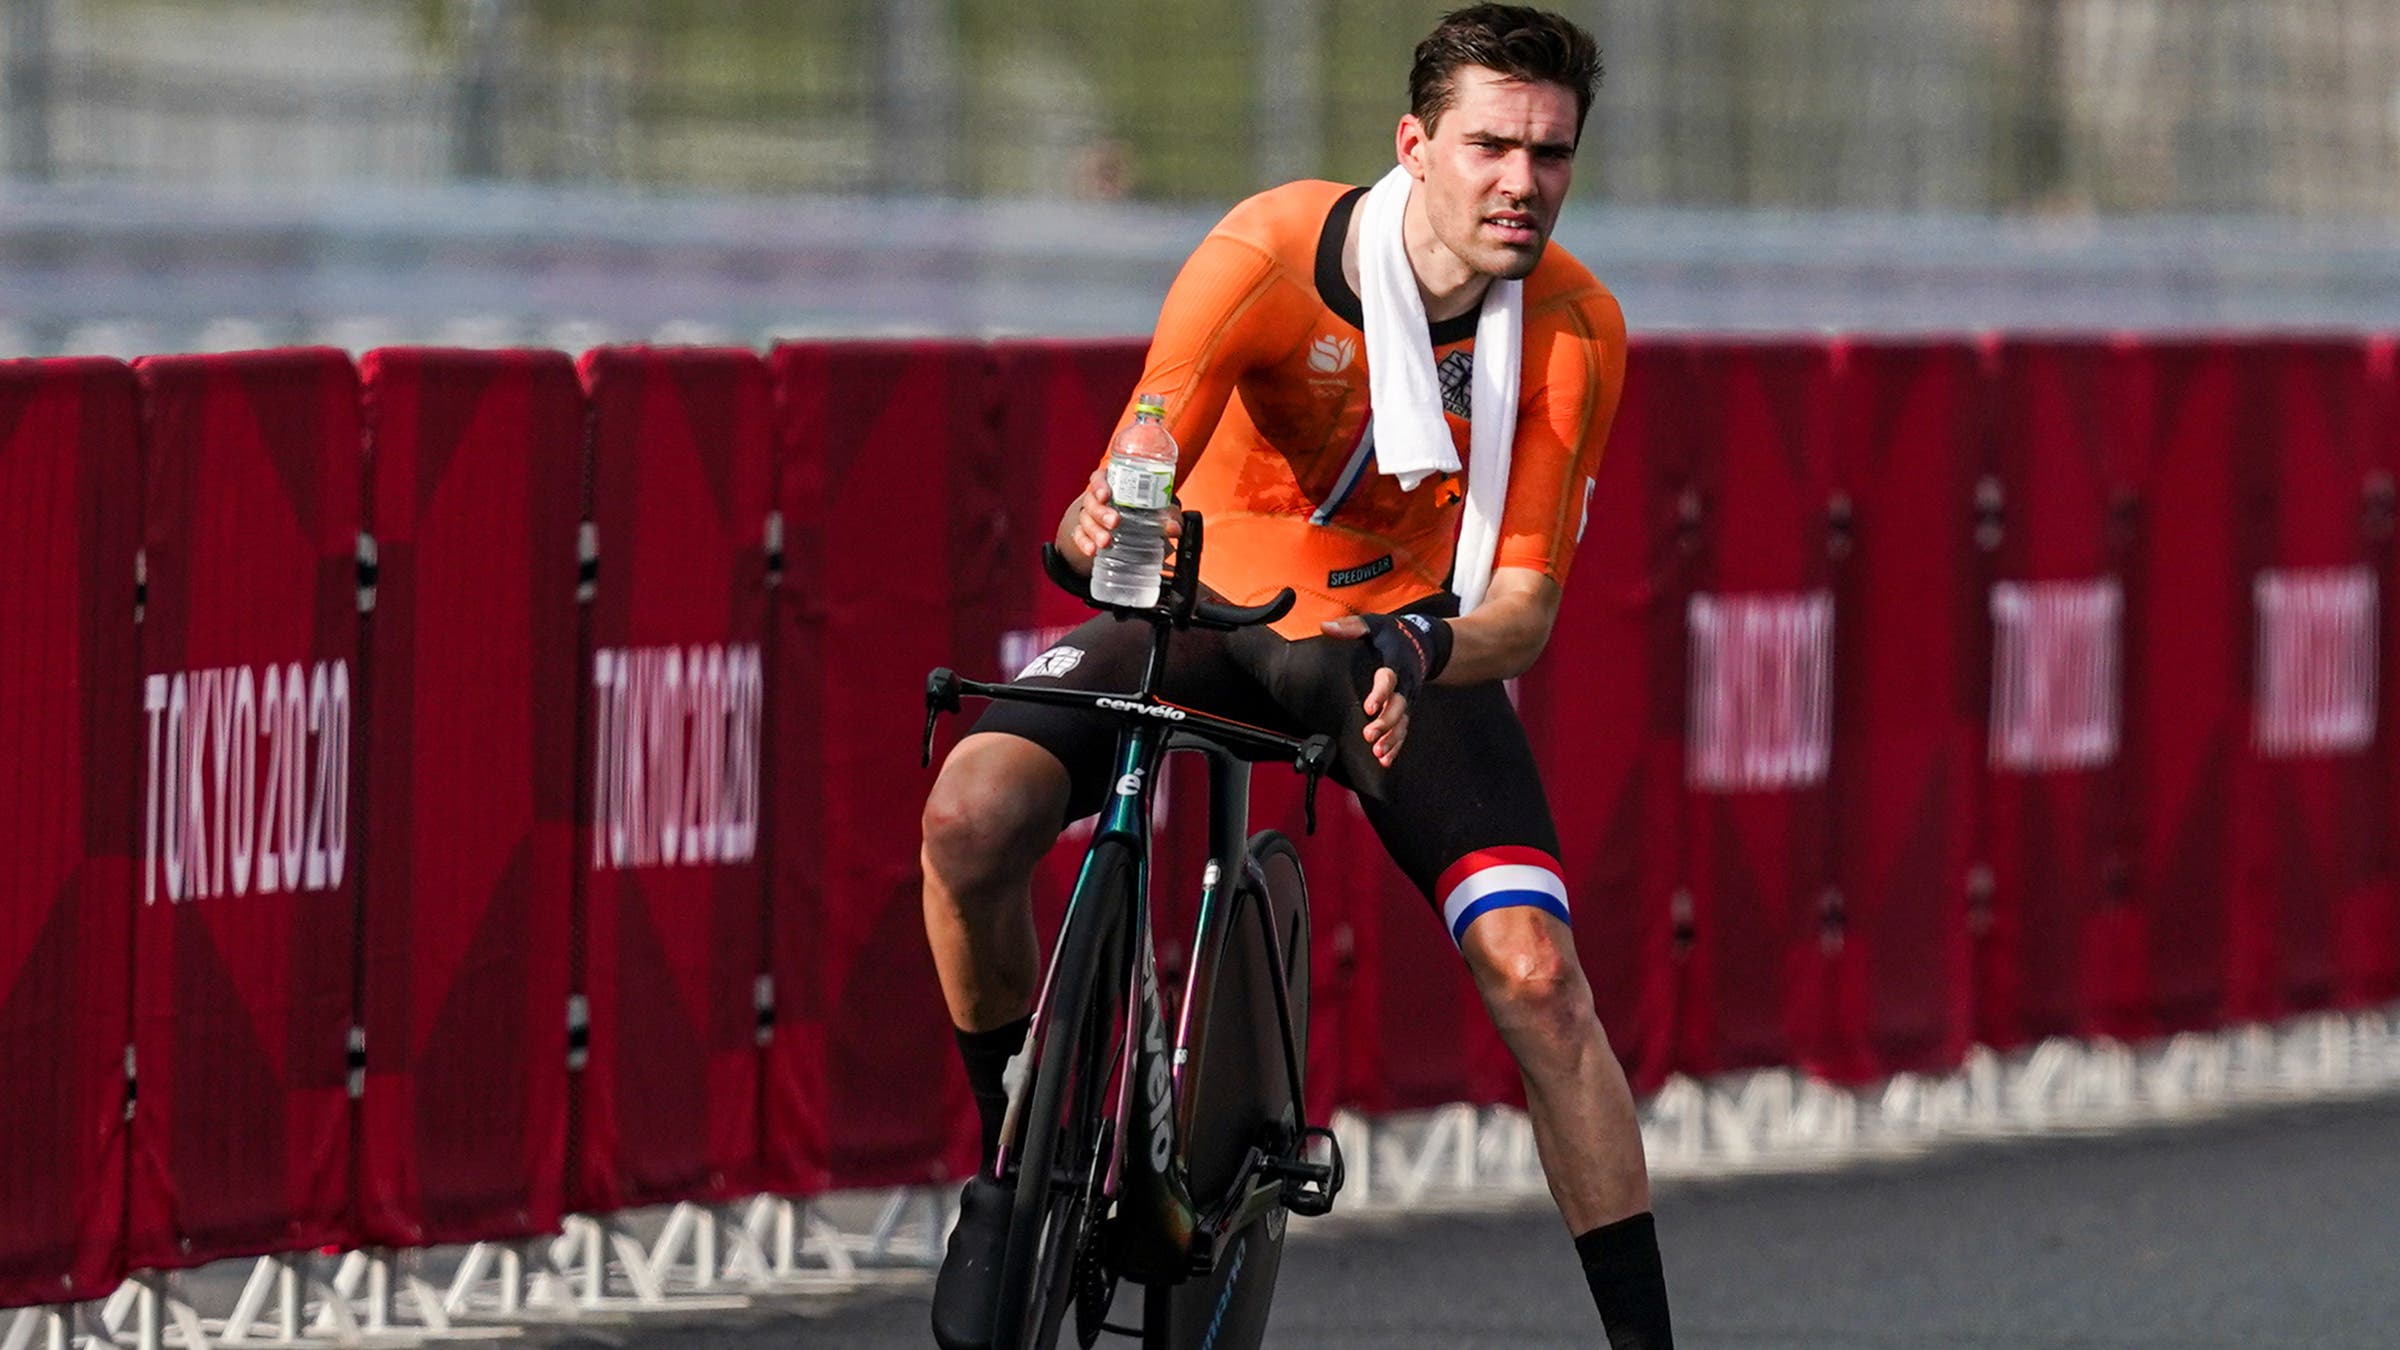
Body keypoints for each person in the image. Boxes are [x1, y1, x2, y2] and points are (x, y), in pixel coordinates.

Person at [923, 6, 1670, 1347]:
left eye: (1550, 155)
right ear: (1414, 145)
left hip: (1393, 646)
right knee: (969, 816)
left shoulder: (1575, 328)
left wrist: (1423, 645)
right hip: (1205, 606)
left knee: (1543, 981)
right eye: (1491, 145)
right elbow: (1138, 462)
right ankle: (1017, 1158)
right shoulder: (1268, 250)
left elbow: (1523, 607)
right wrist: (1103, 517)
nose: (1521, 183)